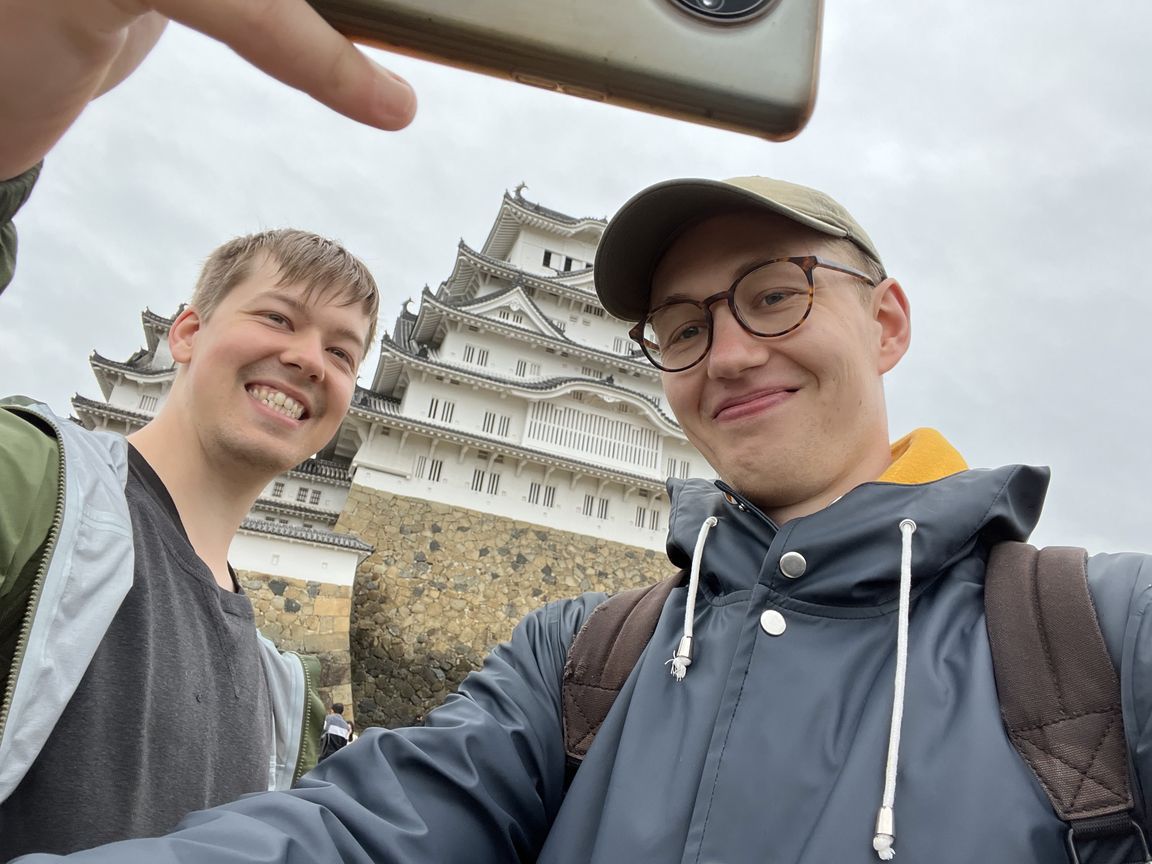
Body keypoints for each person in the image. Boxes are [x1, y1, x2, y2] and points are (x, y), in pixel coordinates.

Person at [17, 170, 1152, 863]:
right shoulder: (578, 665)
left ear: (887, 321)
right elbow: (352, 836)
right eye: (683, 327)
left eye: (774, 294)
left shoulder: (1097, 640)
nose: (733, 352)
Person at [0, 1, 408, 858]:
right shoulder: (33, 485)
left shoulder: (281, 693)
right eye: (278, 319)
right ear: (185, 333)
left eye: (343, 351)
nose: (309, 360)